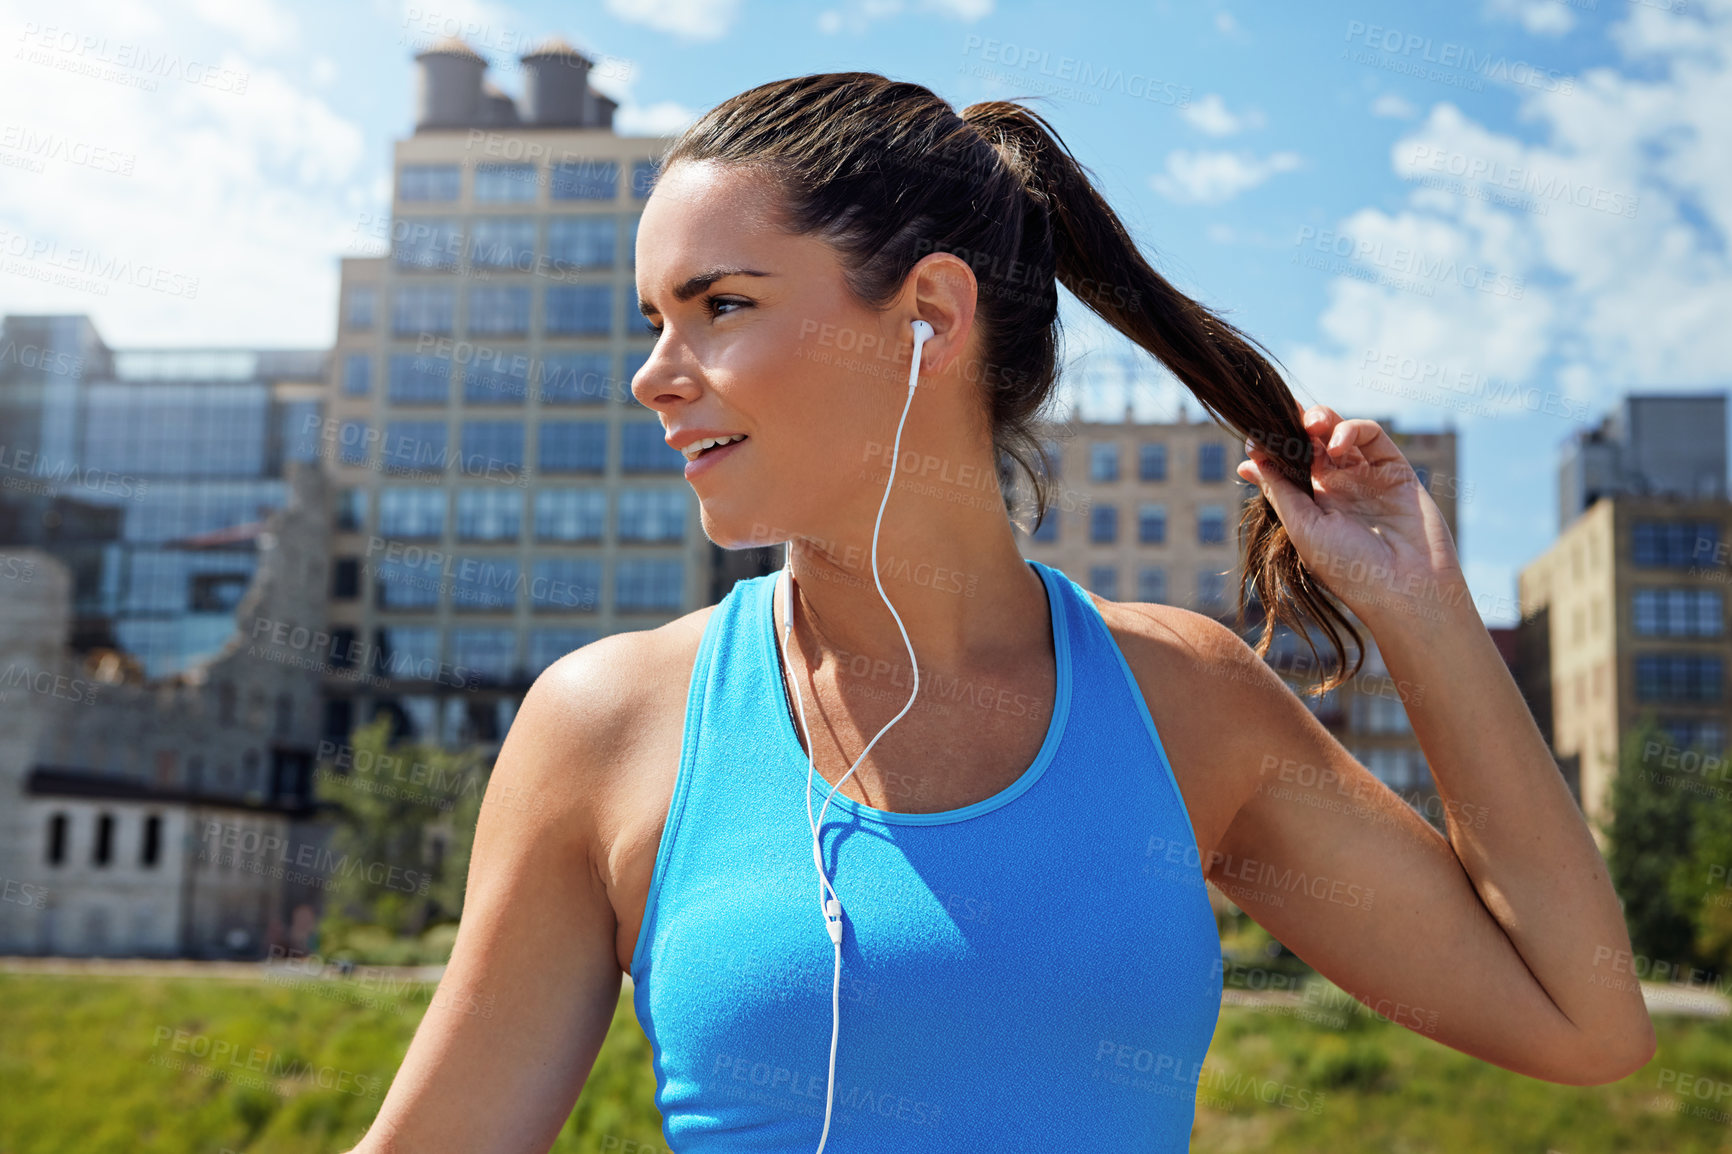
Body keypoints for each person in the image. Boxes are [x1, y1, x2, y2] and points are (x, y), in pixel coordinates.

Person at [346, 73, 1655, 1154]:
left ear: (927, 313)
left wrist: (1423, 611)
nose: (652, 375)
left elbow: (1582, 1022)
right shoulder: (610, 725)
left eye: (720, 305)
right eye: (654, 319)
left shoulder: (1181, 701)